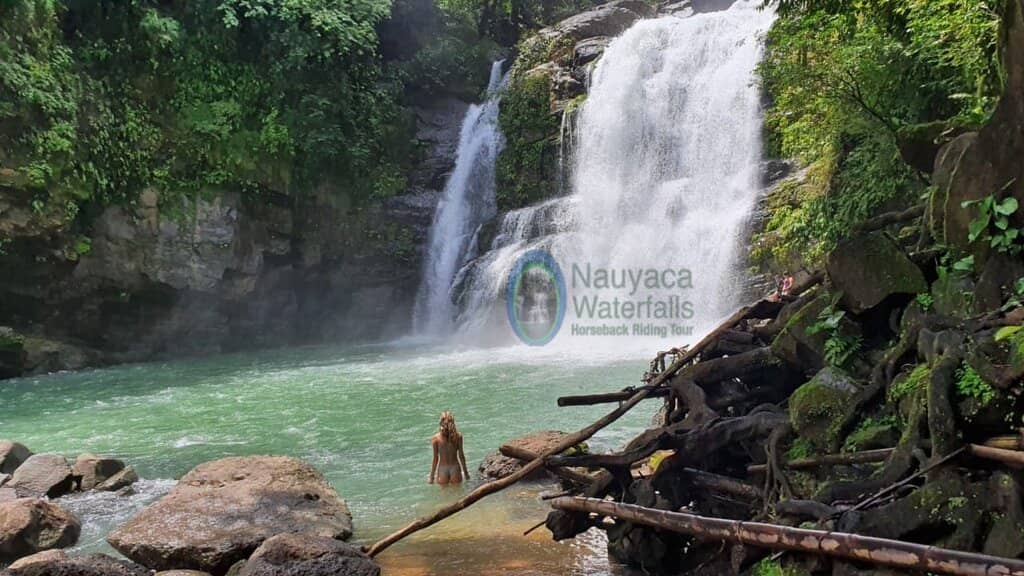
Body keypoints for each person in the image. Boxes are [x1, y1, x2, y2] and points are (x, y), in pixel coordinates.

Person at [429, 411, 470, 485]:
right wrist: (466, 473)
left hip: (442, 470)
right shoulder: (458, 436)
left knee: (444, 496)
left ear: (441, 422)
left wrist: (431, 476)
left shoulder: (435, 438)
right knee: (458, 493)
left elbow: (435, 458)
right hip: (455, 469)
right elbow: (461, 456)